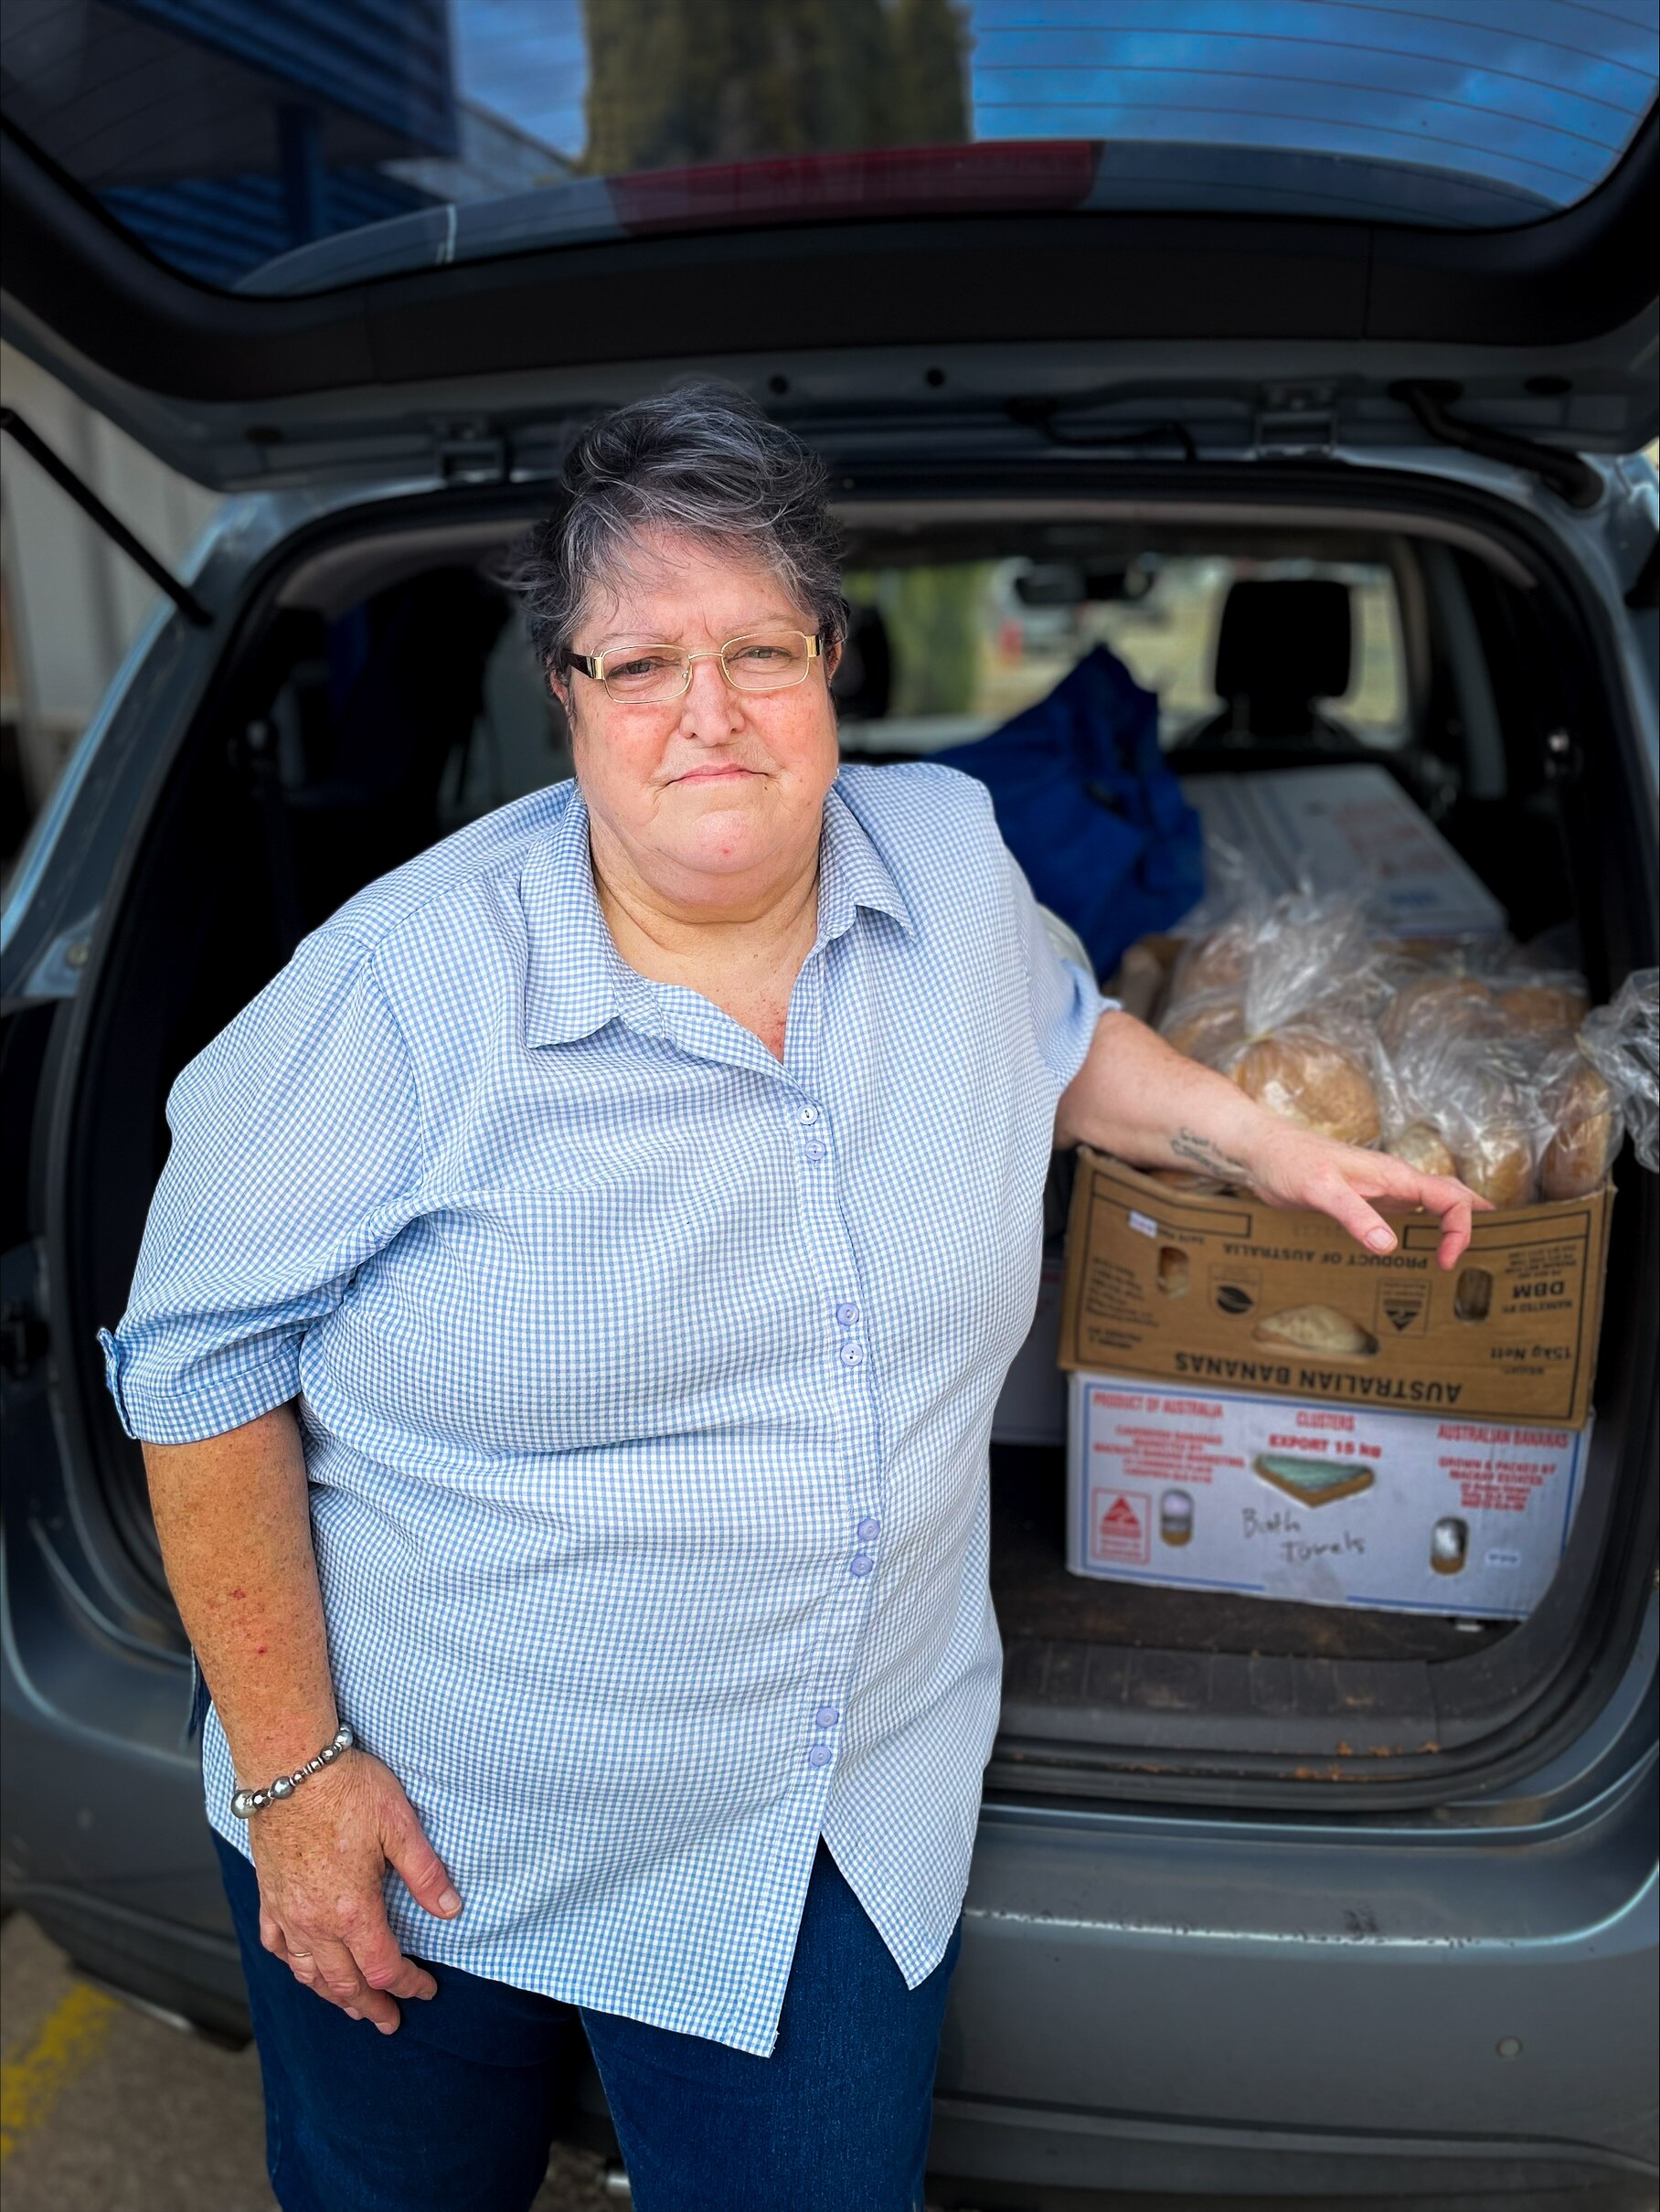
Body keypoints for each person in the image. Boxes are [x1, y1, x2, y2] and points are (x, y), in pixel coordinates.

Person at [100, 388, 1478, 2212]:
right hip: (435, 1812)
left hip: (832, 1812)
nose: (708, 713)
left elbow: (1061, 1035)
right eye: (641, 661)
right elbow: (197, 1365)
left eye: (760, 647)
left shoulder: (953, 863)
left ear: (834, 658)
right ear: (564, 694)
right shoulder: (395, 991)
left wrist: (1263, 1144)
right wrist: (294, 1778)